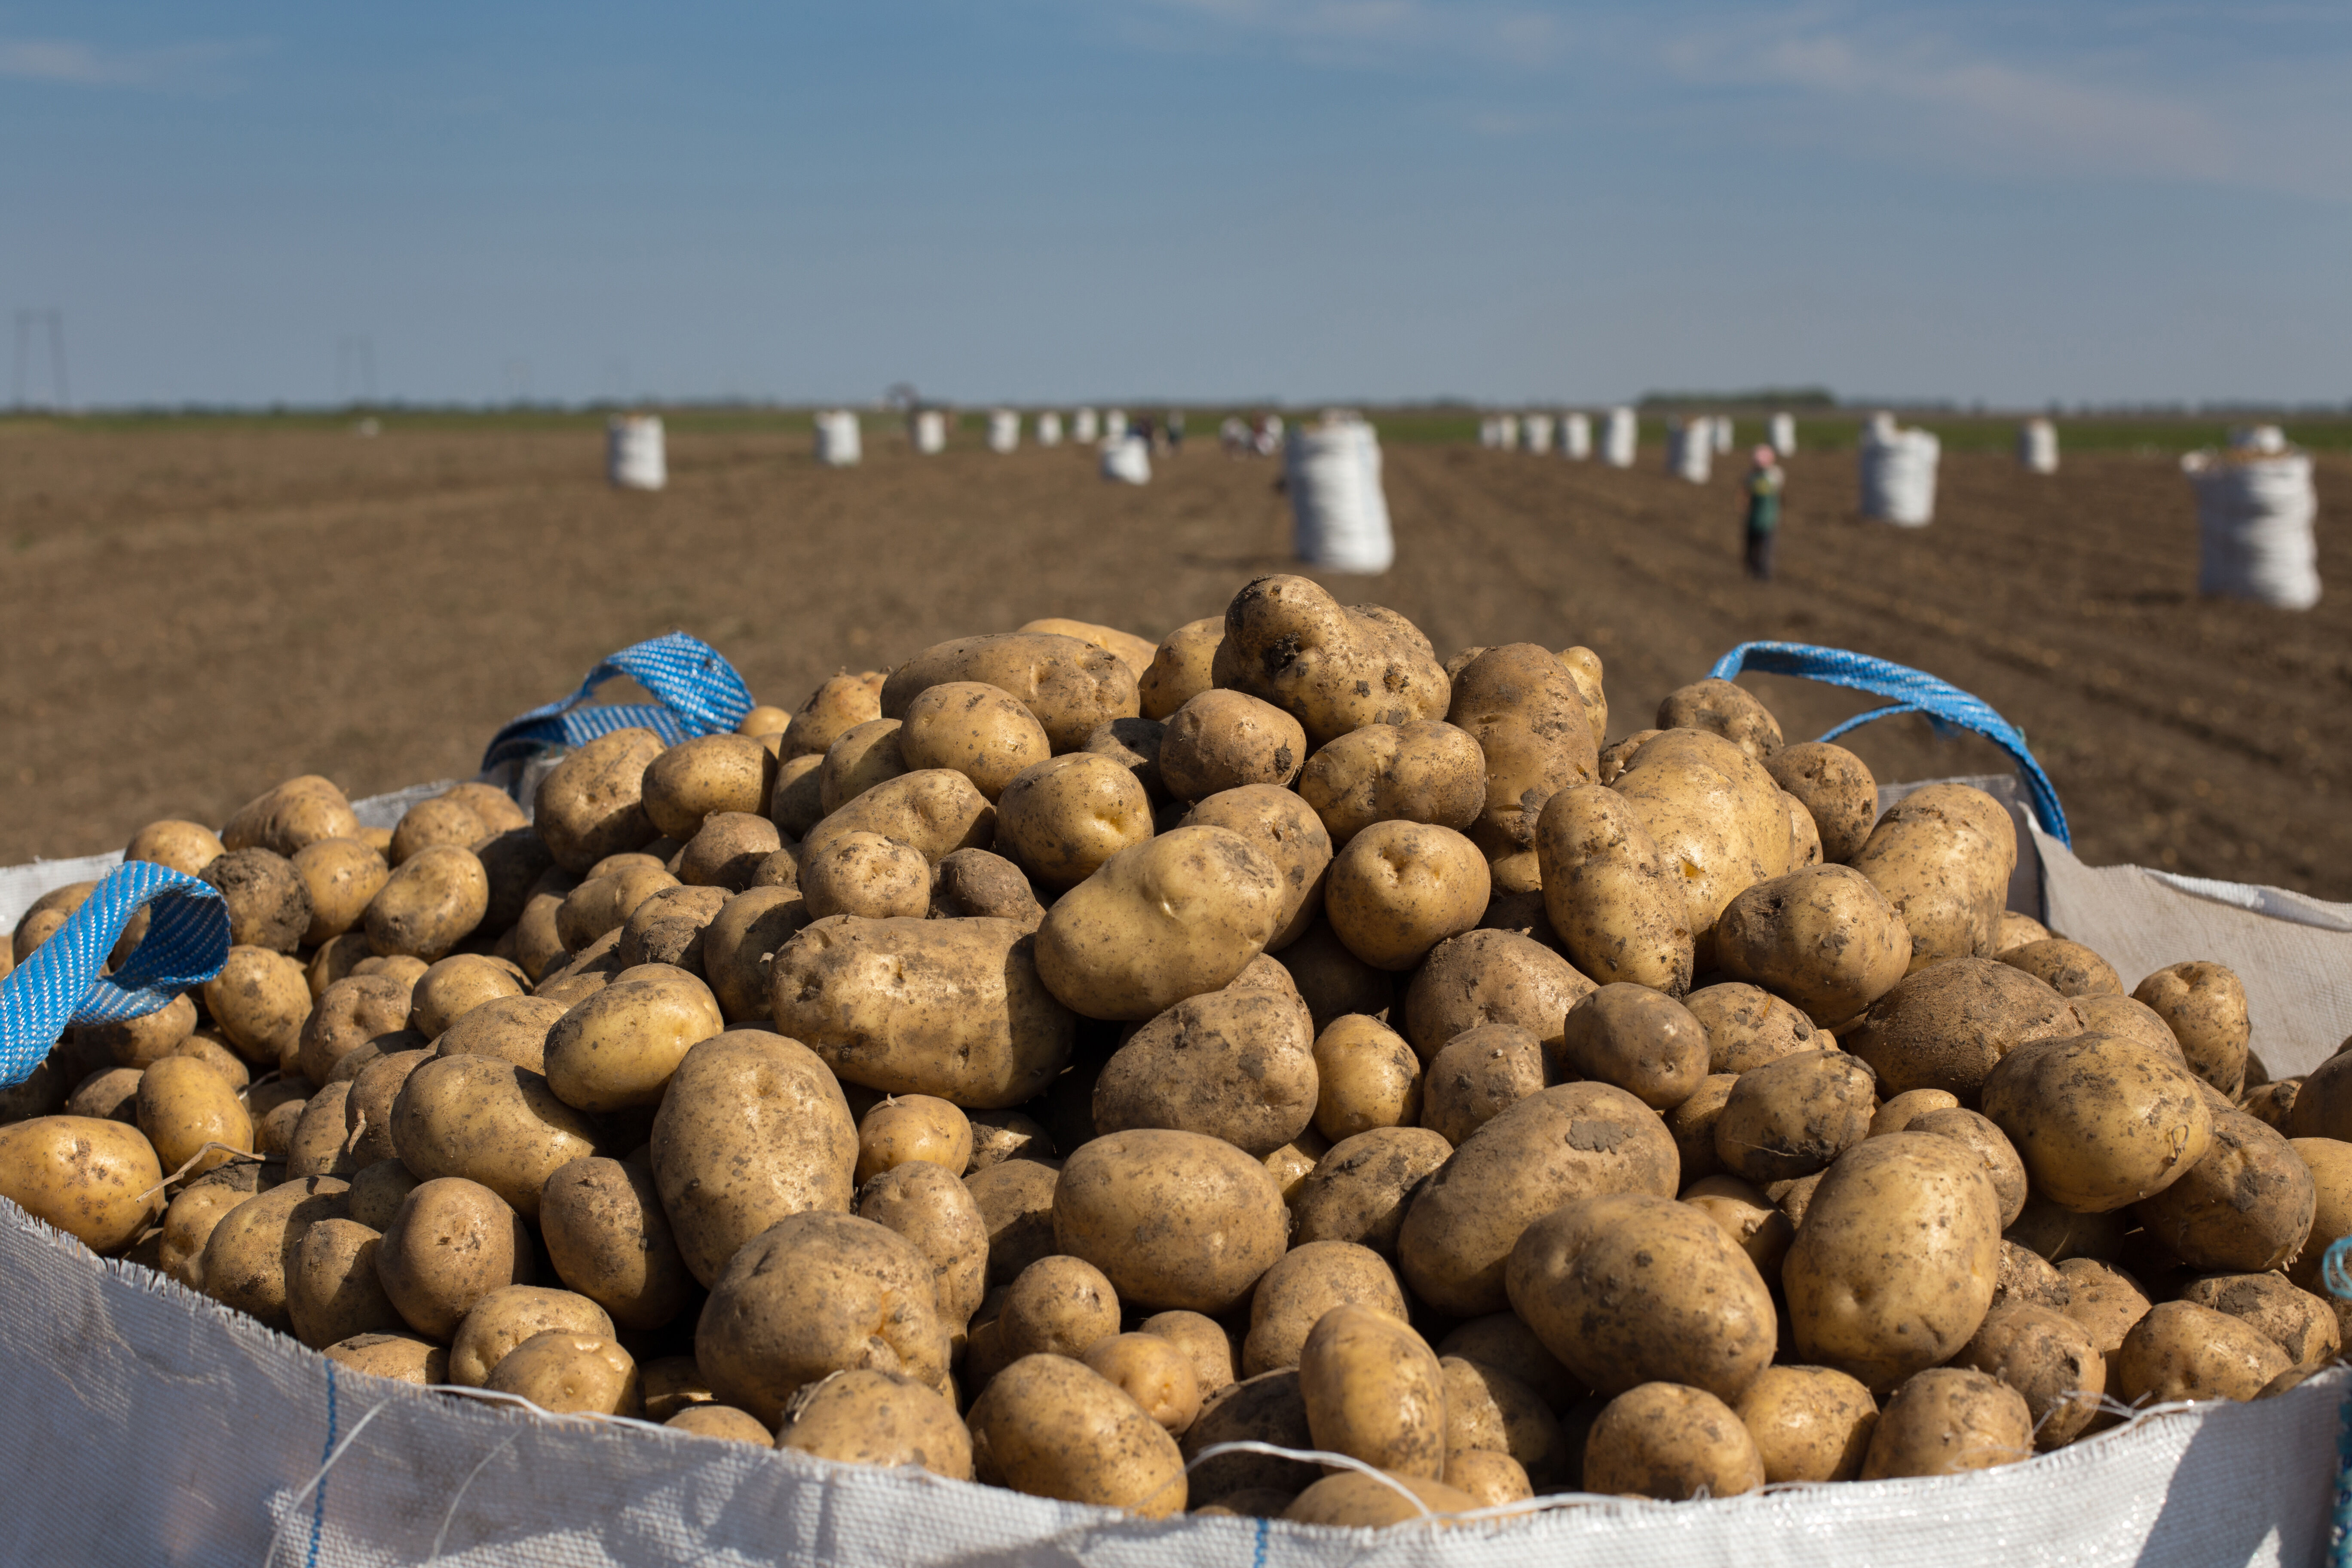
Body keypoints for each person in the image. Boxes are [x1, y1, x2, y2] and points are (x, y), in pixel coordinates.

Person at [1743, 444, 1783, 581]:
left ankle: (1764, 572)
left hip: (1768, 520)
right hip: (1754, 519)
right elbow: (1744, 494)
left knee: (1765, 548)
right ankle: (1754, 568)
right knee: (1752, 547)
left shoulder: (1773, 476)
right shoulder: (1752, 477)